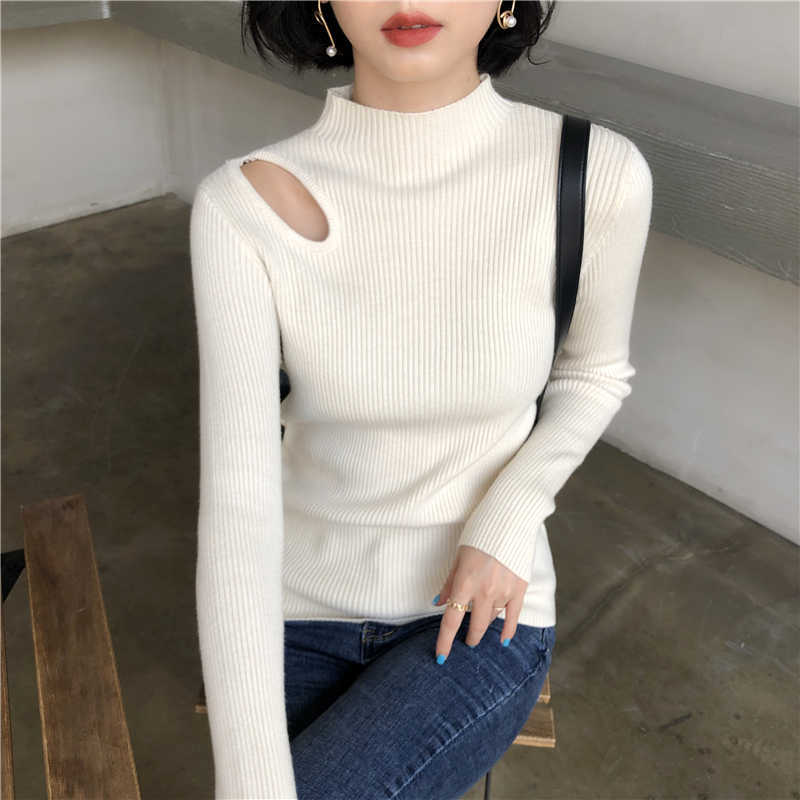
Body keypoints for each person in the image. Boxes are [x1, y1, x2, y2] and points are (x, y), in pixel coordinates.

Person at [189, 1, 653, 797]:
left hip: (478, 619)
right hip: (293, 611)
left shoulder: (594, 173)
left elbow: (592, 374)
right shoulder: (241, 206)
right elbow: (238, 500)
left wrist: (508, 518)